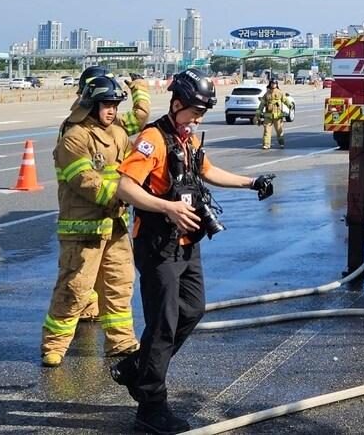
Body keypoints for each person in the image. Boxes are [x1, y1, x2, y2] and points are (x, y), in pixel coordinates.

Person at [112, 69, 276, 434]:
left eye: (202, 114)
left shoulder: (186, 140)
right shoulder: (153, 139)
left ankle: (137, 367)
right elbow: (124, 187)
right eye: (195, 112)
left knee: (193, 309)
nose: (198, 119)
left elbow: (209, 171)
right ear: (176, 105)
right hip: (157, 246)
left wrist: (252, 182)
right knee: (163, 325)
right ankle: (151, 407)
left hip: (187, 244)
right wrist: (167, 207)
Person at [40, 71, 150, 366]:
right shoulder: (74, 136)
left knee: (119, 284)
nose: (112, 110)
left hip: (114, 225)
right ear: (91, 104)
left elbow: (133, 168)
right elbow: (87, 182)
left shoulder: (117, 134)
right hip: (83, 230)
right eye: (106, 105)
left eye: (115, 104)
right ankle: (54, 345)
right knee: (75, 288)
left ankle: (121, 341)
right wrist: (128, 196)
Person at [258, 76, 290, 150]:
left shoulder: (280, 93)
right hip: (268, 116)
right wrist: (258, 114)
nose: (273, 85)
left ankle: (281, 143)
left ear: (277, 84)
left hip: (278, 116)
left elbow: (285, 100)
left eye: (275, 83)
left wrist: (290, 105)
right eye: (272, 83)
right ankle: (266, 144)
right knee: (267, 130)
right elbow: (262, 104)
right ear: (270, 84)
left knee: (279, 130)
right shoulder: (266, 94)